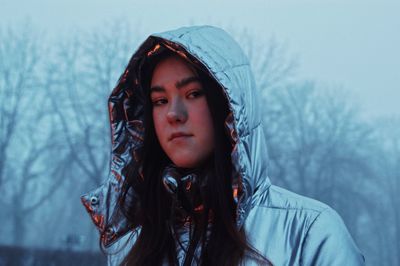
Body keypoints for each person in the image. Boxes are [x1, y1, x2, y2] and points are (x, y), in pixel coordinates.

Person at [81, 25, 365, 265]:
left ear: (229, 106)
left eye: (193, 94)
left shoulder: (310, 231)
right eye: (160, 100)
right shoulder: (131, 244)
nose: (173, 114)